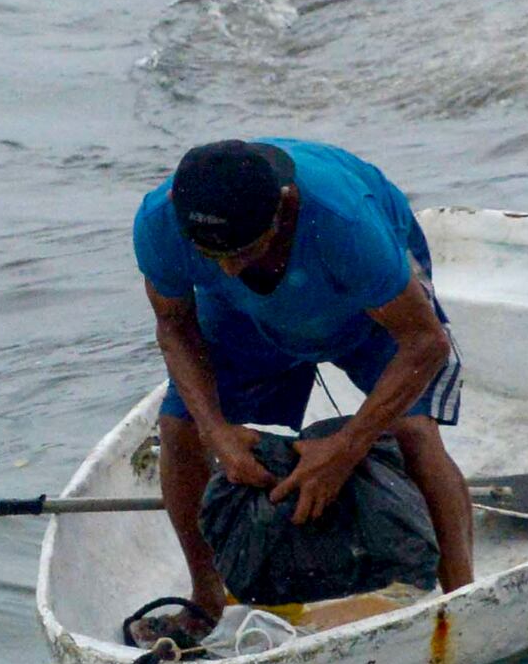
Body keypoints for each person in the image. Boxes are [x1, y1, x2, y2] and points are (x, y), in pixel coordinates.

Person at [131, 136, 477, 626]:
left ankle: (461, 598)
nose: (230, 267)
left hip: (361, 303)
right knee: (179, 429)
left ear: (285, 207)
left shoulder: (346, 223)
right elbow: (174, 328)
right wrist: (215, 433)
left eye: (247, 249)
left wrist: (346, 448)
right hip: (238, 313)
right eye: (212, 254)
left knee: (414, 432)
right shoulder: (159, 223)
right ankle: (206, 598)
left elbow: (425, 344)